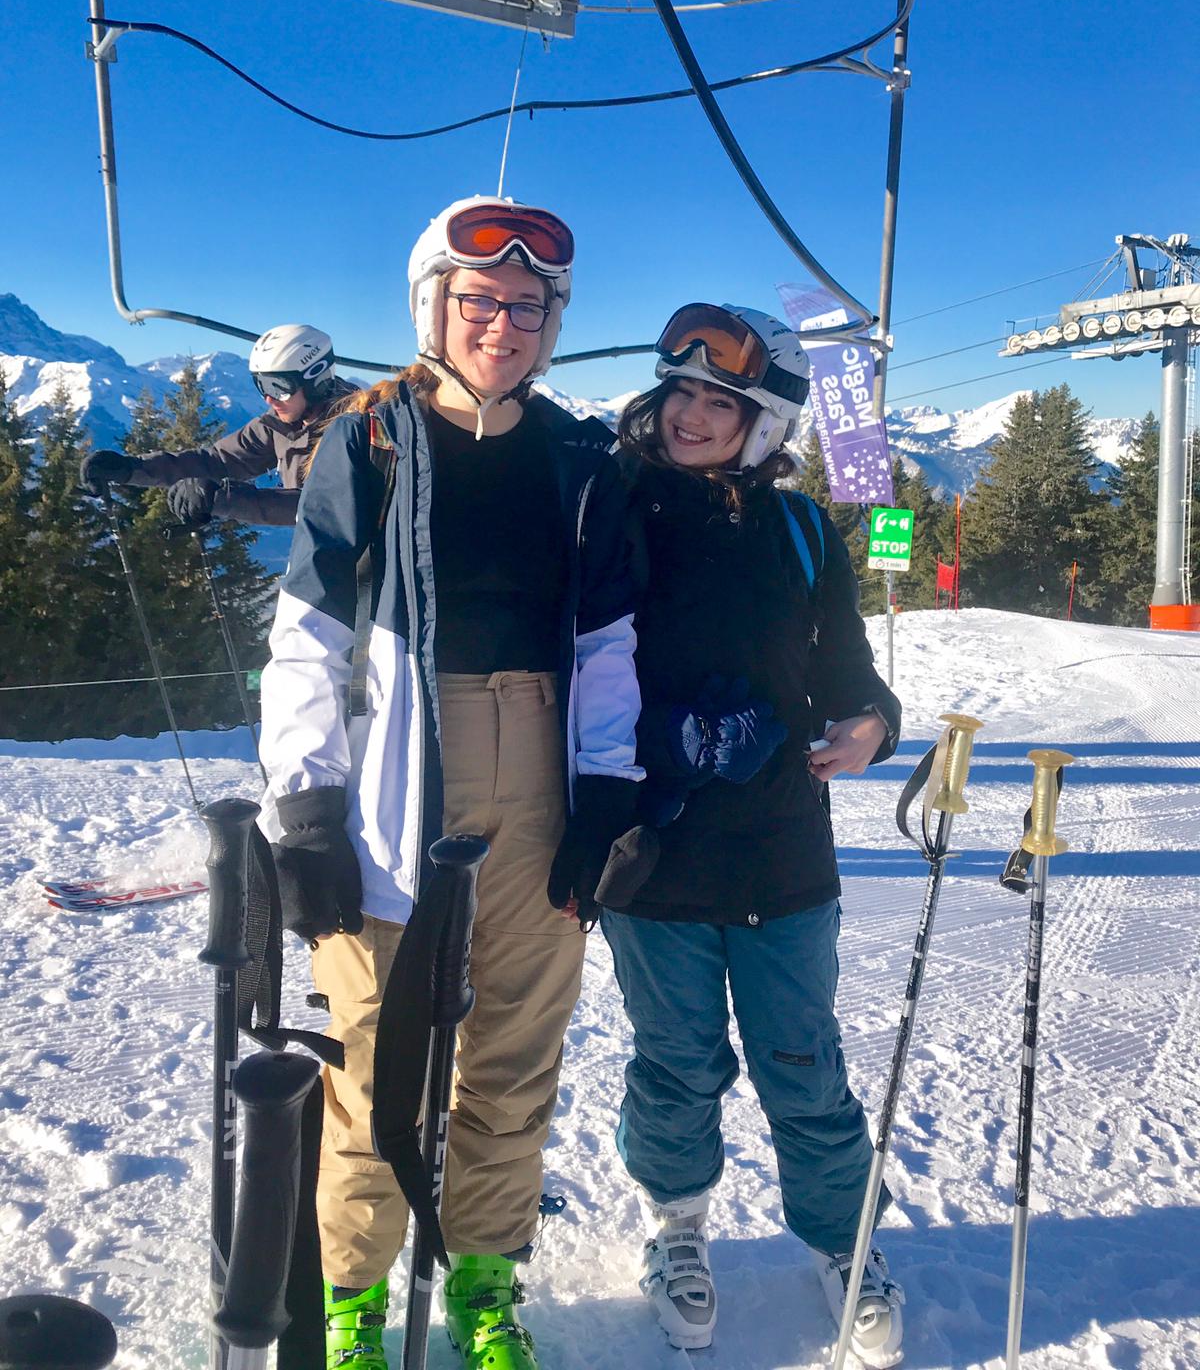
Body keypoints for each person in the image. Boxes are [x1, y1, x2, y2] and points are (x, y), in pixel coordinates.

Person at [256, 197, 642, 1370]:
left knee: (515, 1051)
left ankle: (484, 1281)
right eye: (481, 300)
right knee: (379, 1054)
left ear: (553, 322)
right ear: (434, 304)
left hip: (542, 765)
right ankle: (352, 1301)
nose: (503, 324)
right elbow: (309, 633)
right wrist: (305, 804)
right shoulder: (372, 439)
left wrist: (608, 791)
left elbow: (610, 641)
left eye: (529, 306)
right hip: (396, 772)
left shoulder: (578, 454)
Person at [587, 302, 904, 1368]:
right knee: (676, 1065)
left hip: (782, 851)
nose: (689, 414)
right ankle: (677, 1231)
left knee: (803, 1065)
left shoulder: (802, 529)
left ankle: (844, 1245)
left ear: (763, 422)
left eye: (719, 401)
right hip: (656, 851)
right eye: (680, 390)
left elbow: (848, 670)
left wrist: (873, 723)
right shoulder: (616, 507)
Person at [79, 324, 355, 527]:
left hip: (363, 570)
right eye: (261, 385)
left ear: (316, 380)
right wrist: (131, 468)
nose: (269, 398)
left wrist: (222, 498)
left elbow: (324, 506)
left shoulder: (358, 430)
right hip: (318, 559)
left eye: (279, 386)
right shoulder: (281, 424)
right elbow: (218, 461)